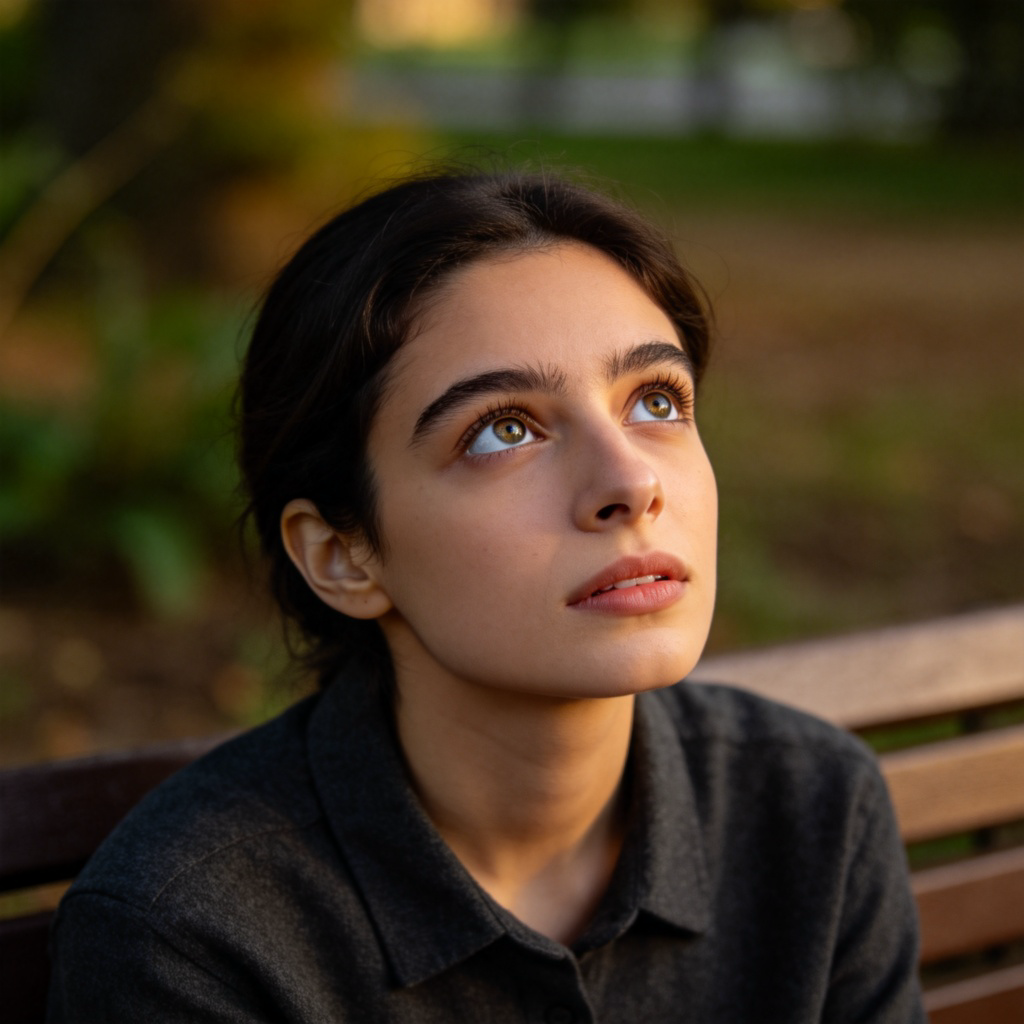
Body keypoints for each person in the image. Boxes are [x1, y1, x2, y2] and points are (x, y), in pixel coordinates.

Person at [47, 169, 925, 1022]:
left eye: (656, 400)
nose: (630, 481)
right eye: (505, 429)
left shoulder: (812, 810)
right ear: (344, 555)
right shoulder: (190, 935)